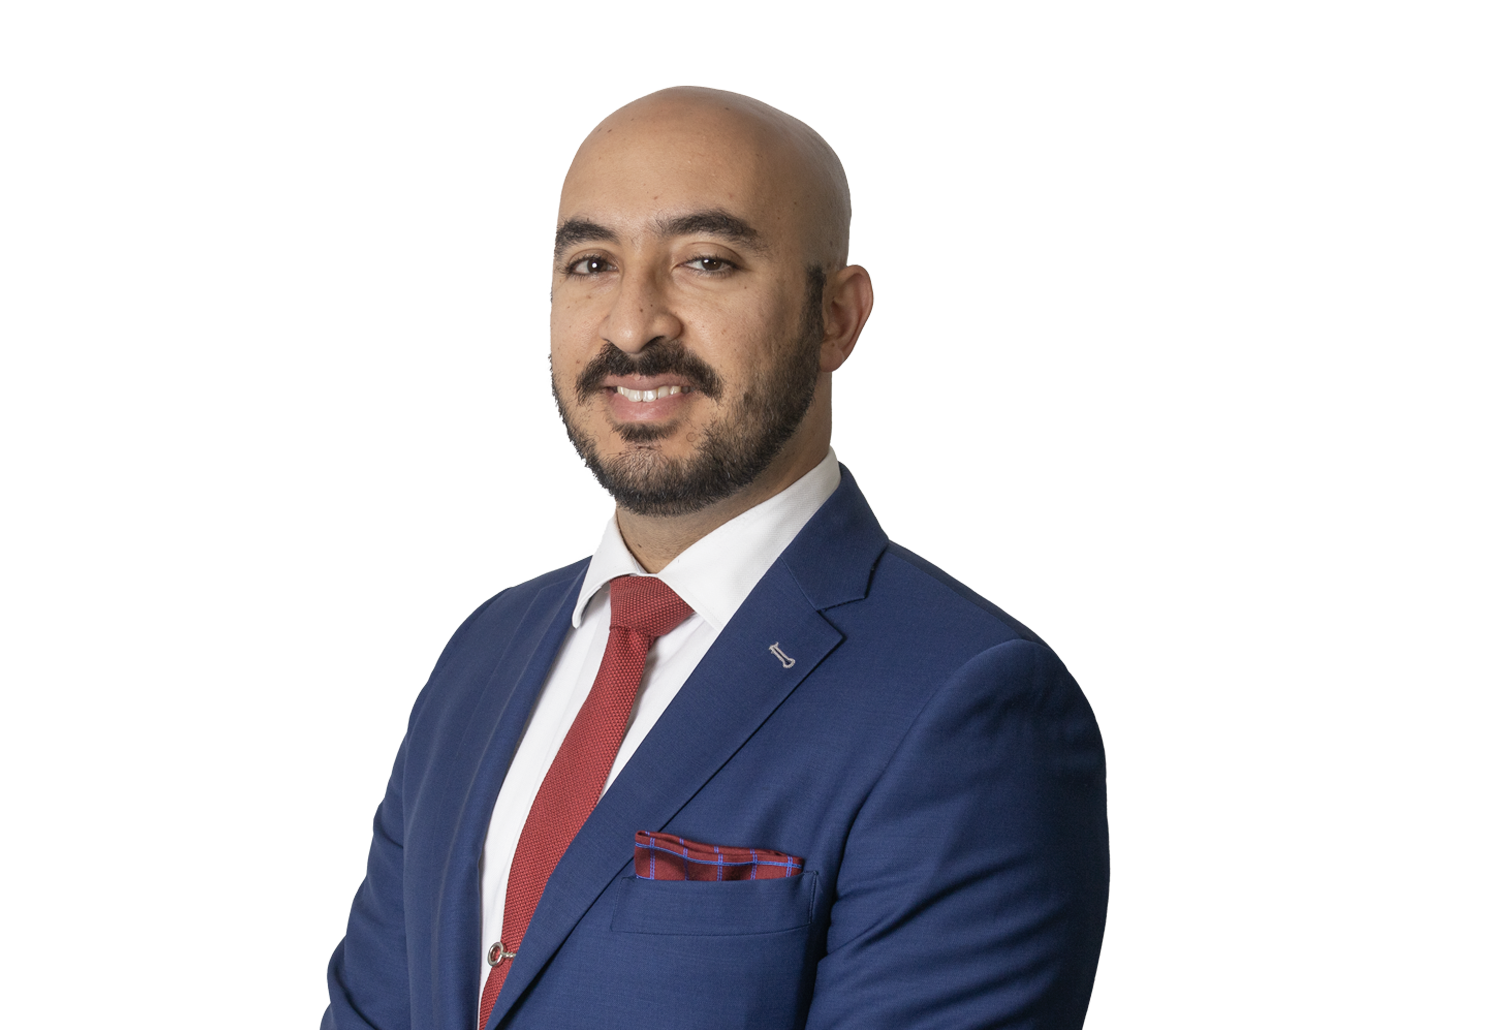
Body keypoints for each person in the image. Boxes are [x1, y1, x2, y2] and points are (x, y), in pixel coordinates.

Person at [323, 86, 1109, 1030]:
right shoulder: (482, 655)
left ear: (836, 317)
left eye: (706, 261)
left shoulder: (971, 704)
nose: (631, 327)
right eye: (591, 263)